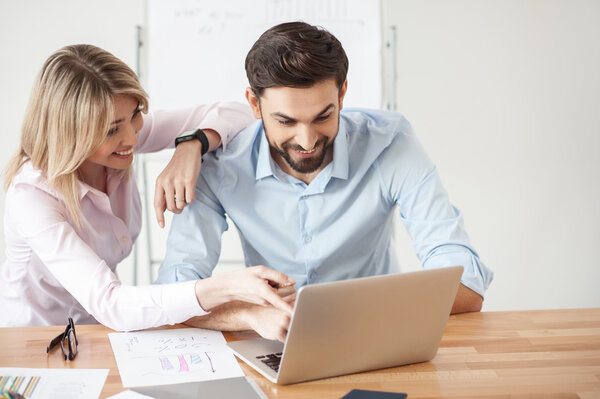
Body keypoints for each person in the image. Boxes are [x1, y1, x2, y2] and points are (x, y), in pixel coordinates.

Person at [157, 22, 494, 342]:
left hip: (377, 333)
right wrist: (248, 315)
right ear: (253, 105)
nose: (306, 141)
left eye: (323, 116)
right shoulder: (219, 165)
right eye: (285, 121)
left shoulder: (391, 144)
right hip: (271, 339)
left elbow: (464, 282)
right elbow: (173, 293)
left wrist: (338, 313)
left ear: (342, 94)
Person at [0, 44, 295, 331]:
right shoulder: (32, 197)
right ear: (70, 132)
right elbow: (112, 303)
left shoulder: (120, 140)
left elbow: (240, 112)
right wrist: (229, 287)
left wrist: (192, 144)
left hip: (95, 332)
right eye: (112, 129)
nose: (131, 137)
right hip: (33, 340)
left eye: (135, 115)